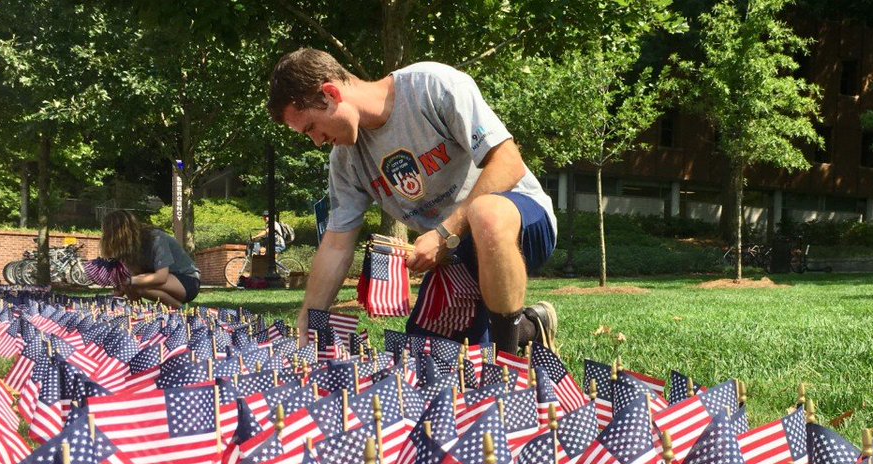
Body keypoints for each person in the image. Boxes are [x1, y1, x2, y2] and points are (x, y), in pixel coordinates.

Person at [267, 48, 557, 354]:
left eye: (312, 127)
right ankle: (528, 327)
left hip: (520, 223)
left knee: (485, 213)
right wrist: (309, 317)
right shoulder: (345, 162)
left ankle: (507, 366)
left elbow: (508, 163)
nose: (317, 141)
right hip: (456, 258)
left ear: (330, 94)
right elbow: (337, 243)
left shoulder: (431, 86)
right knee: (424, 357)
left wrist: (445, 234)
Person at [99, 210, 199, 308]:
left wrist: (128, 280)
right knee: (131, 282)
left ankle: (180, 308)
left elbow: (161, 277)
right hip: (166, 282)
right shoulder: (127, 248)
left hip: (188, 281)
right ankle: (136, 311)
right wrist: (113, 299)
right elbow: (126, 280)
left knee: (137, 284)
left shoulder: (156, 238)